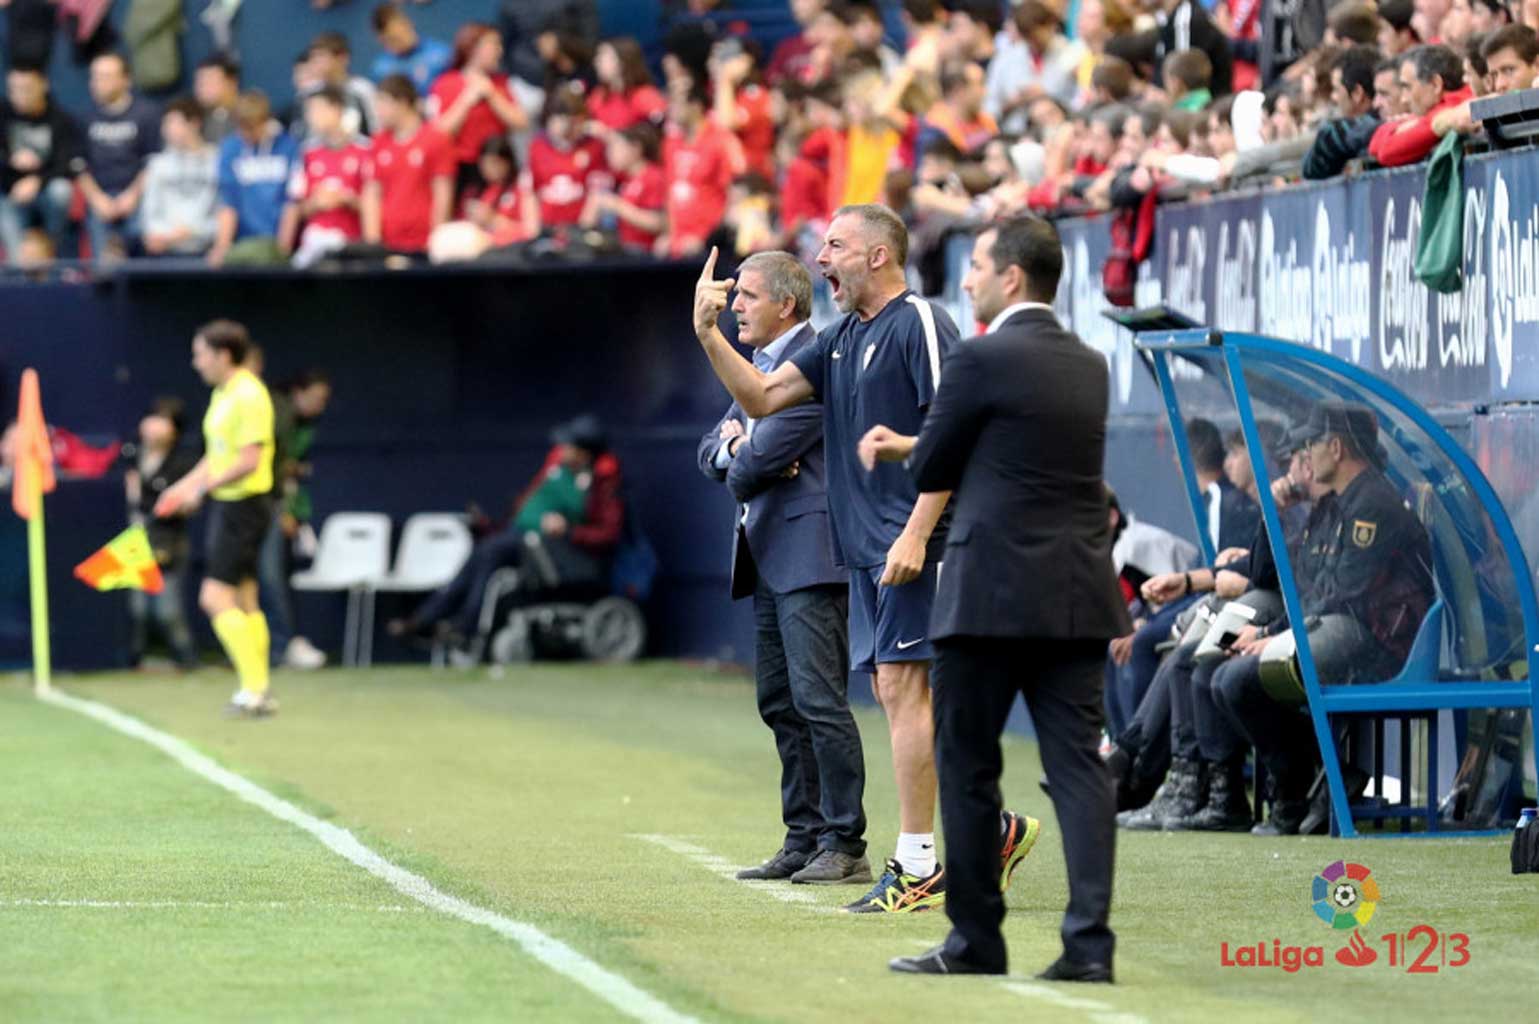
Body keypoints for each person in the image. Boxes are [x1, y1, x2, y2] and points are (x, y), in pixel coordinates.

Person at [691, 204, 1037, 915]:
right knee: (901, 698)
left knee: (907, 697)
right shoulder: (842, 335)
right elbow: (758, 394)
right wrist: (705, 334)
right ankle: (988, 829)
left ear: (878, 256)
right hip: (869, 553)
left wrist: (915, 533)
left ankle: (917, 865)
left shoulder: (920, 322)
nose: (820, 259)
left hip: (918, 544)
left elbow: (953, 429)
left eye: (835, 245)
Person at [868, 216, 1127, 980]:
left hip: (985, 597)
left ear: (1011, 277)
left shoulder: (978, 357)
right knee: (1078, 771)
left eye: (977, 265)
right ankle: (1088, 948)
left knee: (968, 766)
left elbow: (933, 467)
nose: (969, 278)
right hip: (1077, 593)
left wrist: (907, 446)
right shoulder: (1089, 363)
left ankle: (974, 942)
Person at [696, 251, 869, 886]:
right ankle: (804, 836)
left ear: (787, 305)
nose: (734, 304)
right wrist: (738, 446)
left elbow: (745, 467)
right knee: (781, 701)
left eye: (747, 295)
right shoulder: (762, 368)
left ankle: (845, 841)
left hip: (810, 555)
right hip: (769, 552)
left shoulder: (813, 363)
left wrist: (740, 451)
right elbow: (712, 451)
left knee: (819, 701)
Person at [388, 415, 623, 645]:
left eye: (569, 445)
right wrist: (490, 526)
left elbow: (608, 534)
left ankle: (459, 626)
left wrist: (568, 530)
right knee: (482, 555)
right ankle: (431, 620)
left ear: (584, 452)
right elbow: (526, 509)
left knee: (490, 552)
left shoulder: (603, 483)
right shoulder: (556, 471)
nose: (562, 449)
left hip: (556, 552)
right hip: (521, 538)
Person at [154, 320, 278, 717]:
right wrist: (183, 487)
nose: (196, 362)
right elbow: (219, 455)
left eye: (201, 354)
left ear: (223, 355)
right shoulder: (223, 394)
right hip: (229, 506)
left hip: (244, 506)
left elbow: (249, 460)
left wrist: (200, 491)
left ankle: (254, 690)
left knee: (214, 598)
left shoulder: (249, 395)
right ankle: (258, 690)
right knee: (244, 597)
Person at [260, 370, 332, 672]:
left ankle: (280, 648)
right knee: (268, 578)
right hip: (263, 507)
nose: (321, 405)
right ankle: (278, 647)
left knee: (272, 578)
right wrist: (286, 509)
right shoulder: (281, 412)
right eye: (317, 398)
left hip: (269, 506)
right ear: (298, 392)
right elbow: (278, 467)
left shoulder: (294, 420)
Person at [124, 397, 199, 671]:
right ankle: (135, 659)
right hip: (133, 543)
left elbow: (192, 501)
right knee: (137, 608)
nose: (154, 427)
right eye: (152, 418)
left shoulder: (182, 462)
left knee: (168, 610)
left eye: (163, 421)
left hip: (168, 542)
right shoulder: (130, 454)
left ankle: (187, 658)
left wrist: (179, 504)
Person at [79, 52, 161, 261]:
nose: (98, 83)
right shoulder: (86, 118)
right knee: (104, 268)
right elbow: (78, 167)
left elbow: (154, 162)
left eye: (106, 76)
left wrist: (132, 196)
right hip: (101, 198)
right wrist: (97, 199)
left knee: (139, 238)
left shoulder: (147, 114)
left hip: (139, 197)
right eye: (95, 77)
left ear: (126, 80)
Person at [429, 23, 527, 192]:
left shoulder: (500, 83)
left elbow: (521, 122)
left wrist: (491, 95)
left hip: (498, 166)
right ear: (472, 48)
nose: (500, 51)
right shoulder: (446, 83)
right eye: (493, 44)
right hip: (463, 169)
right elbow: (439, 133)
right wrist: (466, 100)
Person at [364, 75, 455, 255]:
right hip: (387, 244)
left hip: (423, 243)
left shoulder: (435, 139)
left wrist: (436, 239)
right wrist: (372, 241)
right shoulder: (378, 142)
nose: (378, 111)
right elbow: (372, 193)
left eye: (383, 103)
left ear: (403, 103)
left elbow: (442, 192)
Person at [0, 65, 82, 265]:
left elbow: (67, 165)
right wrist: (9, 160)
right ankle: (17, 268)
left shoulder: (61, 119)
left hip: (46, 192)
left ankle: (53, 256)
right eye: (14, 89)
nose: (20, 95)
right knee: (18, 259)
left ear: (43, 85)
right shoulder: (3, 115)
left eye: (26, 88)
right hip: (9, 194)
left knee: (61, 190)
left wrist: (37, 180)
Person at [280, 86, 370, 268]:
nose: (311, 117)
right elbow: (295, 206)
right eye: (309, 111)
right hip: (313, 243)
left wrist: (347, 199)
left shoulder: (365, 150)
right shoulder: (307, 153)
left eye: (317, 109)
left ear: (337, 109)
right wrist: (315, 203)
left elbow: (377, 205)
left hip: (352, 246)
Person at [209, 91, 301, 267]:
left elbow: (292, 202)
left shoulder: (289, 147)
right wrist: (221, 247)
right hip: (244, 246)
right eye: (241, 128)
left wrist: (283, 249)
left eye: (251, 127)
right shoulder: (230, 149)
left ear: (266, 121)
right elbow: (228, 203)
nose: (247, 134)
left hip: (279, 243)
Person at [141, 97, 219, 258]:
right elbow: (150, 213)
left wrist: (194, 231)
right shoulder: (158, 164)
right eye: (166, 124)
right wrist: (167, 235)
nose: (167, 130)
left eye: (174, 123)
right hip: (166, 251)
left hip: (207, 252)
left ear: (194, 124)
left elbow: (224, 213)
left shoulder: (217, 160)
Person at [371, 2, 453, 96]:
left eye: (404, 28)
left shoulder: (440, 53)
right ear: (382, 40)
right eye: (395, 38)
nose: (405, 38)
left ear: (409, 22)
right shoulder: (381, 70)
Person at [193, 52, 241, 145]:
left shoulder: (250, 115)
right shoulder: (195, 119)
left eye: (209, 81)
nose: (201, 88)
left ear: (232, 82)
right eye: (199, 83)